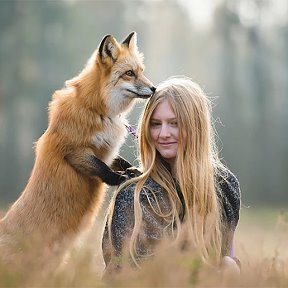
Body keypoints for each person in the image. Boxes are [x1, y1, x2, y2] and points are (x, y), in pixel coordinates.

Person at [102, 76, 241, 273]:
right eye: (156, 124)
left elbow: (224, 255)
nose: (163, 133)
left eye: (174, 123)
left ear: (196, 126)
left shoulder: (224, 185)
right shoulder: (133, 196)